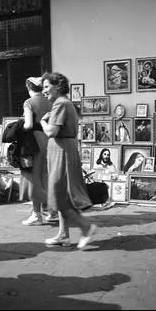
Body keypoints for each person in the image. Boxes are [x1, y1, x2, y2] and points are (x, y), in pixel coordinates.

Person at [40, 72, 97, 249]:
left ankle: (86, 227)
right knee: (63, 194)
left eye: (47, 86)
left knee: (58, 196)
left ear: (58, 86)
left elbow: (51, 132)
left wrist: (42, 121)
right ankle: (63, 235)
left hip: (62, 152)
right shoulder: (64, 103)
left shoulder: (61, 104)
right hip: (63, 151)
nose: (44, 91)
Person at [20, 76, 53, 226]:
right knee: (47, 176)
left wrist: (18, 126)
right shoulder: (50, 101)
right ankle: (50, 211)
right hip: (50, 142)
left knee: (33, 177)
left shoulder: (29, 102)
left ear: (29, 88)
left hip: (34, 144)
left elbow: (28, 125)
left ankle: (36, 214)